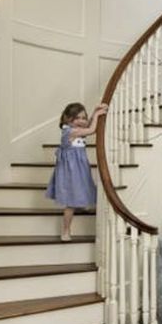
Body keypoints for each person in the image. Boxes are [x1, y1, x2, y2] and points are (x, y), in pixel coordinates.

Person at [46, 102, 108, 241]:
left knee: (85, 185)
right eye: (78, 118)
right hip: (71, 171)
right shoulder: (71, 131)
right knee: (71, 202)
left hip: (78, 167)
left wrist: (94, 112)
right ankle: (66, 230)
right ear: (67, 119)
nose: (82, 121)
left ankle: (81, 201)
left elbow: (87, 126)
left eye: (84, 117)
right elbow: (91, 129)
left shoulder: (76, 128)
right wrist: (97, 115)